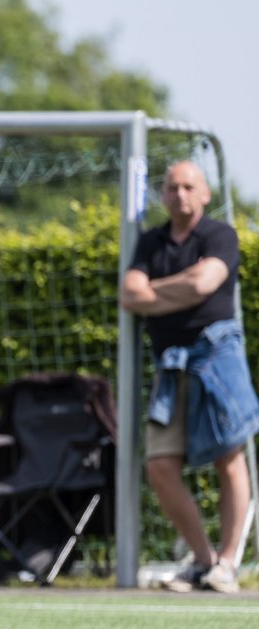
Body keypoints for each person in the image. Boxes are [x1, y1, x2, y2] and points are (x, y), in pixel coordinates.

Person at [120, 160, 259, 594]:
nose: (179, 194)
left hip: (216, 354)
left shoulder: (220, 235)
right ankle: (202, 561)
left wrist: (154, 293)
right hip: (170, 363)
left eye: (188, 187)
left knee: (229, 456)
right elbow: (129, 294)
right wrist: (179, 286)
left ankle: (228, 565)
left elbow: (205, 284)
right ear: (162, 194)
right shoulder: (150, 242)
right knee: (161, 464)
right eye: (172, 187)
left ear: (204, 193)